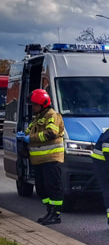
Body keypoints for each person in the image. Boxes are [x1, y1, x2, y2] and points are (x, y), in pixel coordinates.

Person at [17, 89, 65, 225]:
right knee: (41, 188)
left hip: (51, 158)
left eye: (34, 105)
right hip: (38, 160)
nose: (33, 107)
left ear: (43, 104)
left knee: (53, 187)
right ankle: (49, 211)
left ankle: (55, 214)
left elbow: (51, 134)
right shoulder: (38, 117)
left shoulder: (52, 115)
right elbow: (30, 131)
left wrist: (29, 138)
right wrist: (23, 137)